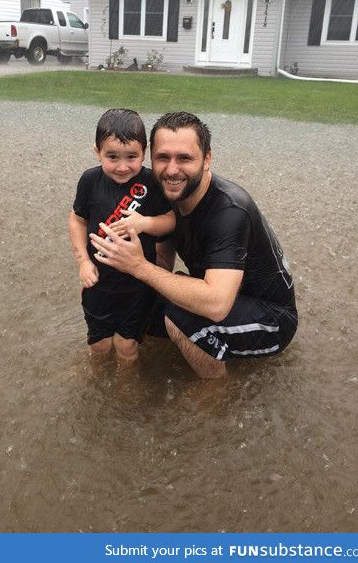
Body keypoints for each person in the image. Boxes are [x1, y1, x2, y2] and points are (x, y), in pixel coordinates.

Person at [89, 112, 298, 379]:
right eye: (163, 158)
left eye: (185, 158)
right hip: (218, 294)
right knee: (135, 301)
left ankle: (214, 394)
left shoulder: (230, 210)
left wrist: (138, 266)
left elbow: (216, 304)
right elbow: (163, 261)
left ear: (207, 159)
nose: (172, 170)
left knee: (180, 315)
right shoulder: (164, 193)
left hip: (271, 320)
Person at [68, 108, 175, 362]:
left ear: (144, 153)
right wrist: (82, 260)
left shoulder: (151, 183)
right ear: (97, 152)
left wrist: (144, 223)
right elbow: (76, 219)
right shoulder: (90, 181)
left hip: (138, 285)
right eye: (112, 157)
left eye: (132, 157)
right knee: (100, 344)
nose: (122, 167)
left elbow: (170, 222)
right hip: (98, 282)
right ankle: (98, 389)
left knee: (127, 347)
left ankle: (126, 391)